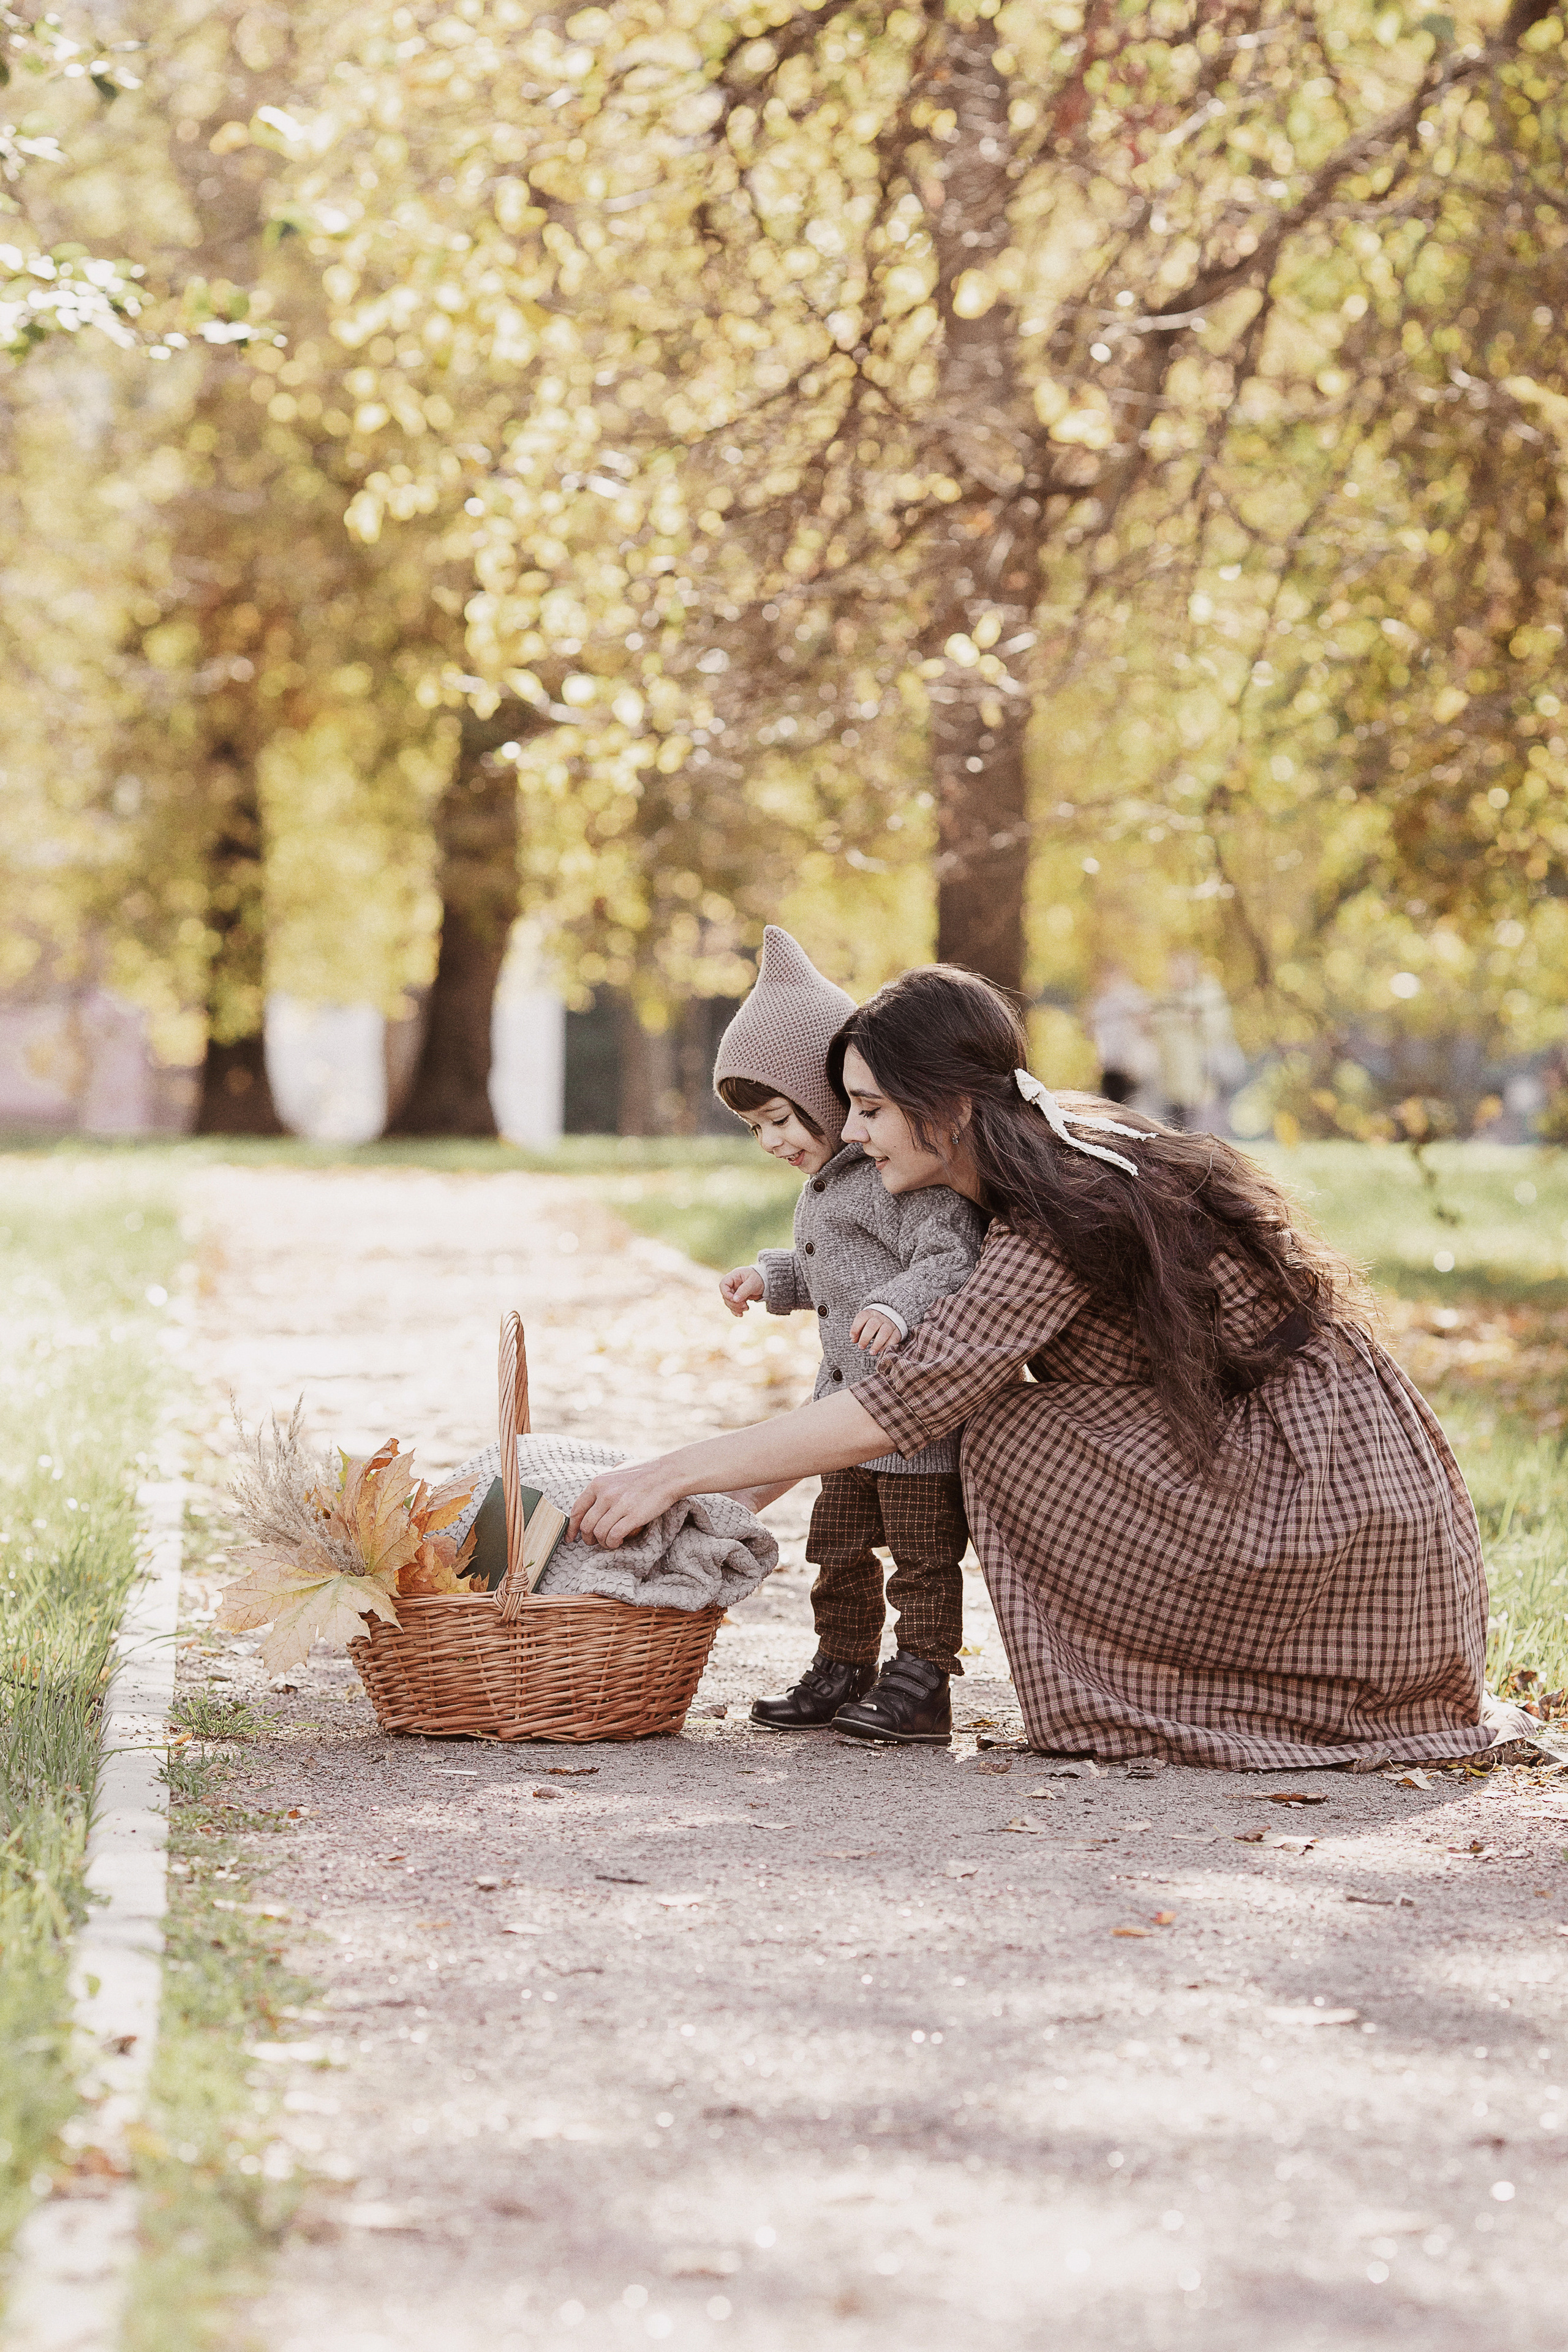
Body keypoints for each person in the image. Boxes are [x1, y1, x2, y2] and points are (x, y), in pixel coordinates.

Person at [573, 964, 1498, 1771]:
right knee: (1001, 1412)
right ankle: (1137, 1663)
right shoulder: (1046, 1153)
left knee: (1006, 1426)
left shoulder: (1057, 1214)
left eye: (871, 1109)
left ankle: (1175, 1676)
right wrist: (710, 1507)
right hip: (1329, 1471)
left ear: (952, 1106)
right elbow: (873, 1406)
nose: (851, 1136)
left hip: (1330, 1501)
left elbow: (900, 1404)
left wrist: (672, 1476)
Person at [710, 927, 986, 1745]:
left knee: (923, 1562)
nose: (772, 1144)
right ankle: (843, 1663)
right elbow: (824, 1268)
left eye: (779, 1119)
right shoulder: (825, 1187)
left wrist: (902, 1307)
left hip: (911, 1428)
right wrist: (771, 1278)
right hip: (839, 1421)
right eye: (756, 1130)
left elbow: (952, 1256)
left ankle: (923, 1676)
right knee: (835, 1552)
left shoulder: (902, 1175)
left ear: (827, 1095)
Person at [1150, 951, 1246, 1133]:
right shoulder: (1166, 997)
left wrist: (1197, 1019)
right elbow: (1157, 1032)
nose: (1176, 973)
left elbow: (1220, 1030)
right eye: (1173, 968)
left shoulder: (1208, 992)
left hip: (1206, 1078)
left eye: (1181, 967)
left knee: (1206, 1130)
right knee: (1179, 1133)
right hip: (1173, 1081)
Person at [1085, 964, 1159, 1110]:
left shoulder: (1131, 996)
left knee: (1133, 1111)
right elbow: (1091, 1032)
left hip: (1129, 1067)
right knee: (1114, 1109)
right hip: (1110, 1067)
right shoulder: (1101, 1001)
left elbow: (1146, 1027)